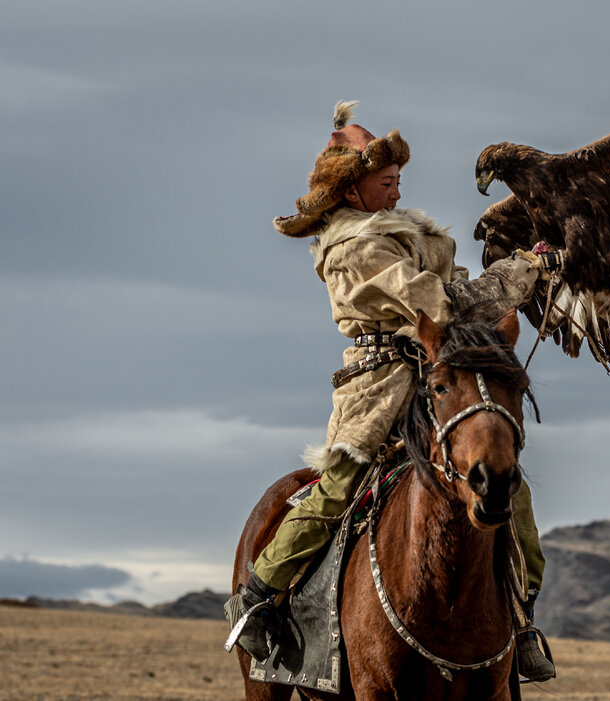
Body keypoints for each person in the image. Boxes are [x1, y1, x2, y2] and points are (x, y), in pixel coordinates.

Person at [224, 101, 556, 682]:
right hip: (376, 387)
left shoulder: (414, 239)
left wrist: (528, 271)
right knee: (336, 489)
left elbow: (462, 298)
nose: (397, 191)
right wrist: (523, 270)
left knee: (510, 485)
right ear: (352, 191)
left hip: (436, 379)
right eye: (386, 182)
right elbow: (444, 304)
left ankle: (521, 619)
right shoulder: (355, 248)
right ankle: (257, 600)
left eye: (399, 180)